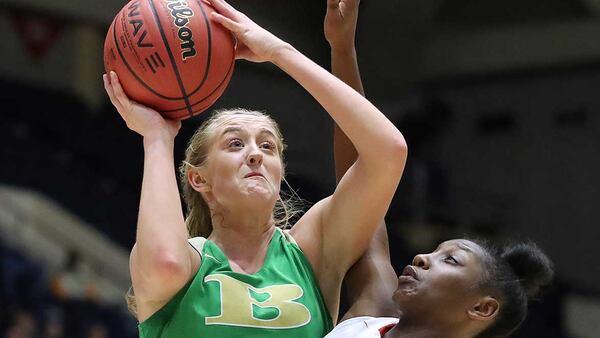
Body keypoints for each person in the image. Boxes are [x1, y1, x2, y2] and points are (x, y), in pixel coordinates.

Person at [102, 0, 408, 337]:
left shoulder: (310, 250)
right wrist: (158, 138)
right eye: (235, 144)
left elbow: (387, 151)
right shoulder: (189, 262)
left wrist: (280, 52)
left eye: (267, 146)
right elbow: (165, 263)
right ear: (198, 178)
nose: (255, 155)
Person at [324, 1, 555, 337]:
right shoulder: (373, 311)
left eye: (450, 260)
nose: (421, 257)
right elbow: (359, 176)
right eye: (437, 252)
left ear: (482, 307)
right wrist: (342, 47)